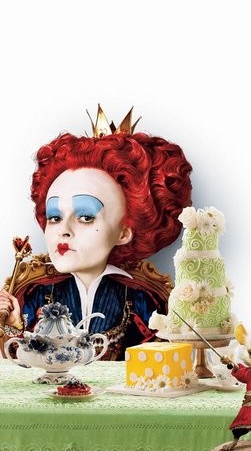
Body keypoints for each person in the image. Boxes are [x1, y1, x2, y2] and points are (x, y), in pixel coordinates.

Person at [0, 109, 192, 359]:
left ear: (124, 232)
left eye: (85, 217)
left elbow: (162, 361)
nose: (63, 230)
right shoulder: (35, 294)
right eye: (54, 217)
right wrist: (14, 325)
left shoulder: (141, 298)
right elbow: (21, 364)